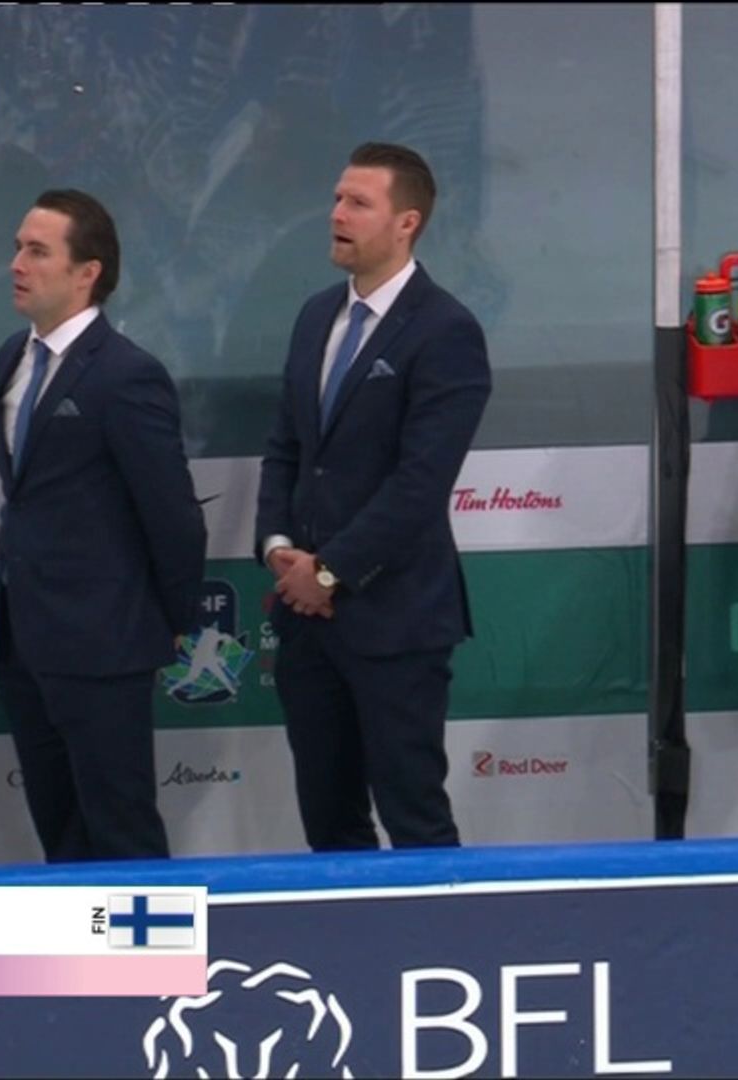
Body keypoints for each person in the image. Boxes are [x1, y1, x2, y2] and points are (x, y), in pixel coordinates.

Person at [254, 142, 491, 851]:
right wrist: (278, 548)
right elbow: (287, 447)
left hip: (395, 619)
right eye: (337, 199)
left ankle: (439, 926)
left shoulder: (446, 331)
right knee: (329, 820)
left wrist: (329, 573)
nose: (337, 214)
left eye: (358, 203)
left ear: (406, 222)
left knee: (414, 815)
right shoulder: (314, 317)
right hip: (306, 623)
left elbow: (420, 483)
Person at [0, 189, 206, 862]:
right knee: (60, 835)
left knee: (121, 831)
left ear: (87, 272)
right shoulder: (12, 358)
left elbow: (173, 515)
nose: (16, 264)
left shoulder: (126, 376)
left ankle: (150, 937)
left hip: (105, 641)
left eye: (37, 251)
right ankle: (77, 936)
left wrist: (169, 620)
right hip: (25, 637)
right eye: (17, 248)